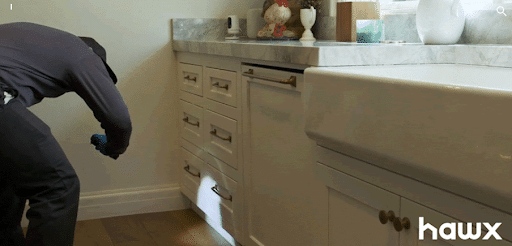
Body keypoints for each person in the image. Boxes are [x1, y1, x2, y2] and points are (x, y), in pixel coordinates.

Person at [0, 22, 132, 245]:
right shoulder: (84, 56)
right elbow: (119, 119)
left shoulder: (38, 42)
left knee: (11, 174)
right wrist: (112, 146)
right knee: (59, 186)